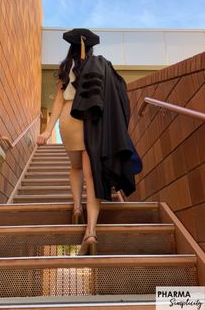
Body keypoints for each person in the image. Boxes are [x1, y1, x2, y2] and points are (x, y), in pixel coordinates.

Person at [37, 28, 142, 256]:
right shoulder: (100, 66)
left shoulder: (66, 69)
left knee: (75, 168)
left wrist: (47, 130)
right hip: (89, 122)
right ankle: (91, 230)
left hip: (67, 121)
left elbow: (57, 102)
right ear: (90, 48)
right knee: (92, 174)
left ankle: (76, 208)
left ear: (71, 48)